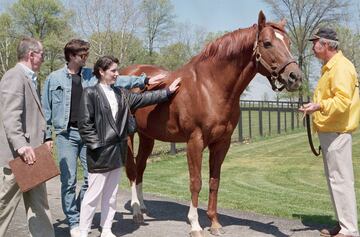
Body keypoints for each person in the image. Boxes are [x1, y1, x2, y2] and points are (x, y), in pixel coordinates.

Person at [41, 39, 167, 237]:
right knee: (69, 180)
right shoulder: (54, 79)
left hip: (91, 136)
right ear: (72, 56)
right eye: (82, 55)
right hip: (67, 135)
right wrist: (47, 136)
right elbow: (46, 109)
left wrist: (143, 81)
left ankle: (83, 216)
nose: (86, 58)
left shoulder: (90, 75)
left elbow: (121, 81)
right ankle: (75, 222)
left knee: (90, 182)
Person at [78, 56, 180, 237]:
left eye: (117, 70)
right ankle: (83, 230)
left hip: (118, 152)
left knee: (111, 195)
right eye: (113, 71)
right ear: (101, 72)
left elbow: (146, 98)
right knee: (93, 195)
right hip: (100, 153)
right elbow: (85, 125)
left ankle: (107, 229)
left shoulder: (122, 94)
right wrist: (96, 146)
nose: (117, 74)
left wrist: (167, 92)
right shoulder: (90, 93)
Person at [299, 28, 360, 237]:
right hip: (330, 132)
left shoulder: (341, 67)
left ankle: (350, 230)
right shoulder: (330, 67)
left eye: (314, 42)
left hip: (337, 133)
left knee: (341, 180)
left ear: (326, 45)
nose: (312, 47)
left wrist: (318, 106)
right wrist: (316, 106)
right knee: (335, 180)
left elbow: (342, 101)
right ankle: (343, 225)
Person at [0, 37, 55, 237]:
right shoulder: (14, 76)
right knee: (3, 207)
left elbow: (34, 116)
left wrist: (45, 139)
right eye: (42, 54)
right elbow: (10, 116)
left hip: (34, 157)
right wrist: (22, 146)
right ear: (31, 55)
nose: (43, 58)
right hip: (18, 157)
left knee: (40, 206)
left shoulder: (30, 78)